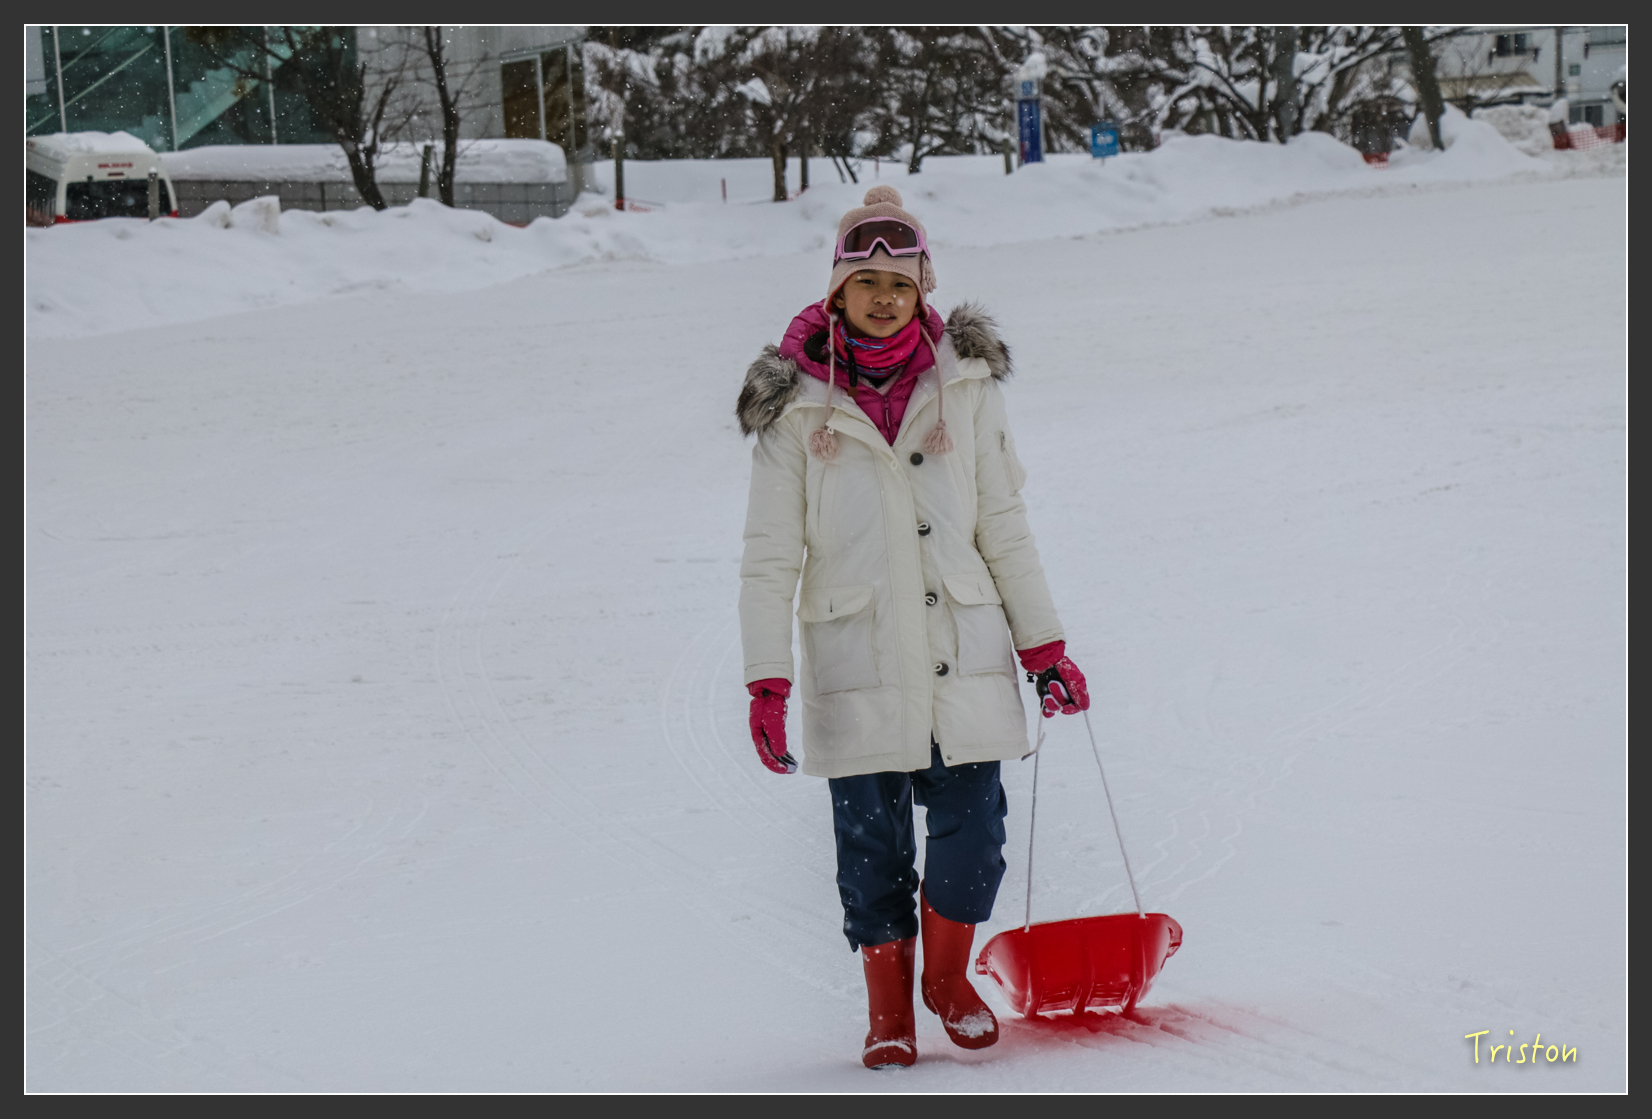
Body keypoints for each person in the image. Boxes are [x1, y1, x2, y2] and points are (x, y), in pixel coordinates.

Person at [735, 185, 1090, 1069]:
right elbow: (769, 553)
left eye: (900, 281)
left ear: (925, 286)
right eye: (866, 282)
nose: (884, 297)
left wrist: (1043, 645)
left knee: (975, 830)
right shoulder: (794, 410)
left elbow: (1002, 521)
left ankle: (948, 977)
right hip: (855, 654)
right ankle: (889, 1004)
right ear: (836, 296)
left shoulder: (964, 388)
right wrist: (765, 677)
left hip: (960, 649)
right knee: (871, 843)